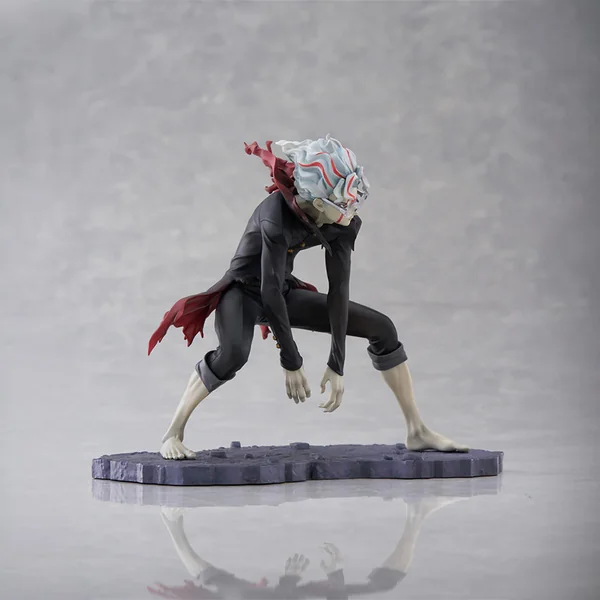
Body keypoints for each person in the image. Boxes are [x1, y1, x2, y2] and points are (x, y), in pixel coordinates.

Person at [148, 135, 468, 460]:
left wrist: (337, 363)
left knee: (383, 328)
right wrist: (291, 360)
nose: (351, 211)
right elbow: (268, 290)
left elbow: (338, 290)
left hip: (283, 290)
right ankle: (172, 432)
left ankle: (417, 430)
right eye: (344, 204)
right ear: (318, 203)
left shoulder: (341, 223)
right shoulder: (275, 216)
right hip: (242, 293)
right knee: (233, 355)